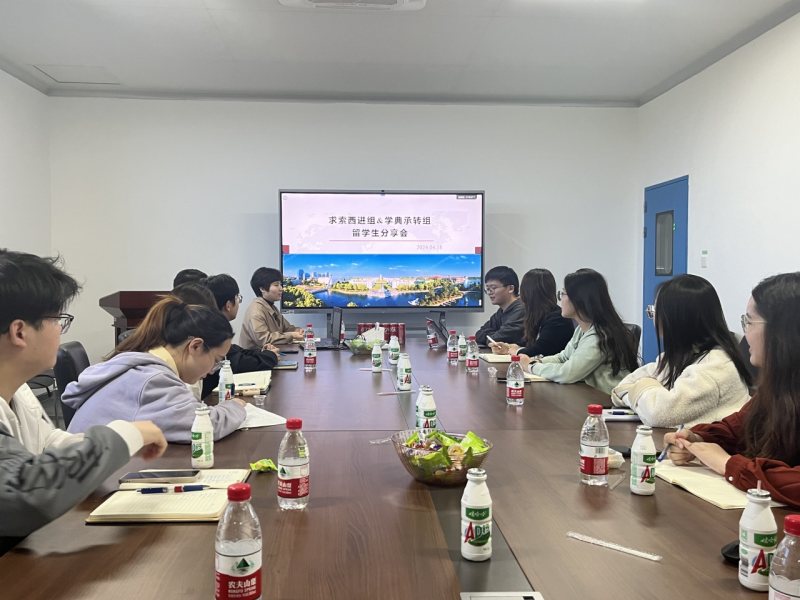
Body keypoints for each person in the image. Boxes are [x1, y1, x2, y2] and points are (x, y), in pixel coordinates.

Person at [0, 249, 167, 551]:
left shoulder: (19, 390)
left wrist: (109, 452)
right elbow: (24, 496)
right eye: (57, 320)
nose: (60, 331)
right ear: (20, 332)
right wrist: (125, 435)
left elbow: (46, 441)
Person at [665, 272, 800, 507]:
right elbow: (737, 427)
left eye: (749, 321)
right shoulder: (779, 387)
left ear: (783, 331)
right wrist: (697, 438)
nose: (745, 333)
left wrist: (727, 464)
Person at [63, 296, 247, 442]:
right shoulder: (153, 380)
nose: (213, 370)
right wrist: (235, 406)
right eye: (216, 360)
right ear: (195, 346)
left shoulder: (141, 366)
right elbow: (206, 426)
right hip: (93, 475)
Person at [611, 275, 751, 427]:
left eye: (654, 311)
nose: (653, 319)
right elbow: (620, 389)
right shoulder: (678, 356)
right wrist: (650, 394)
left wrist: (643, 388)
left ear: (675, 318)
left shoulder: (714, 367)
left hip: (709, 442)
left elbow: (658, 414)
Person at [520, 268, 639, 394]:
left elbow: (568, 373)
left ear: (579, 299)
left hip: (606, 400)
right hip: (587, 394)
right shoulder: (582, 329)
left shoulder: (600, 335)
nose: (560, 299)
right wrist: (536, 361)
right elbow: (563, 357)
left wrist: (531, 367)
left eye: (563, 294)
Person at [203, 274, 279, 397]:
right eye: (238, 298)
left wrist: (262, 352)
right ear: (228, 305)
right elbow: (238, 363)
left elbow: (234, 351)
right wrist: (270, 355)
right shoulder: (213, 329)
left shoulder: (210, 323)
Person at [489, 268, 573, 358]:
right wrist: (509, 347)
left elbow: (540, 350)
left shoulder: (557, 318)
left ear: (527, 293)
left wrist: (516, 351)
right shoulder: (535, 315)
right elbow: (529, 344)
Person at [239, 267, 304, 348]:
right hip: (257, 355)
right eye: (276, 285)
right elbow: (264, 339)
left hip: (272, 354)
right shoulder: (256, 311)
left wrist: (298, 331)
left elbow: (287, 328)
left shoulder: (271, 307)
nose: (281, 289)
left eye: (281, 284)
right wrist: (291, 335)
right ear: (262, 289)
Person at [474, 266, 525, 346]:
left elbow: (496, 339)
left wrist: (492, 336)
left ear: (511, 288)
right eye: (487, 289)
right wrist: (493, 336)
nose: (489, 293)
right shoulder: (501, 311)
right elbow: (479, 334)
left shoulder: (521, 310)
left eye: (493, 288)